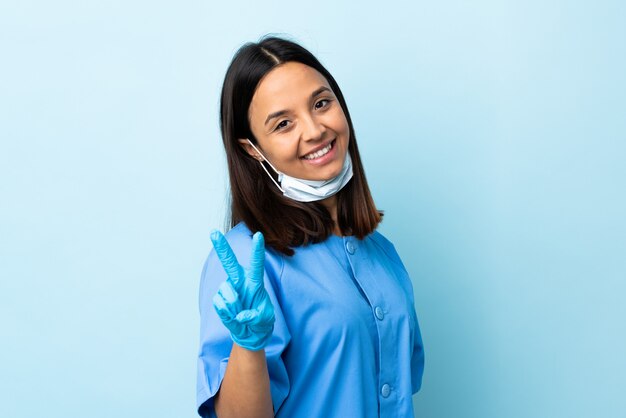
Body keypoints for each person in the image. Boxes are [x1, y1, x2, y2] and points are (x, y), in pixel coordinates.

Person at [196, 35, 425, 418]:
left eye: (321, 103)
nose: (315, 130)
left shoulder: (382, 253)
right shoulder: (245, 261)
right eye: (283, 124)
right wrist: (249, 347)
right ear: (252, 149)